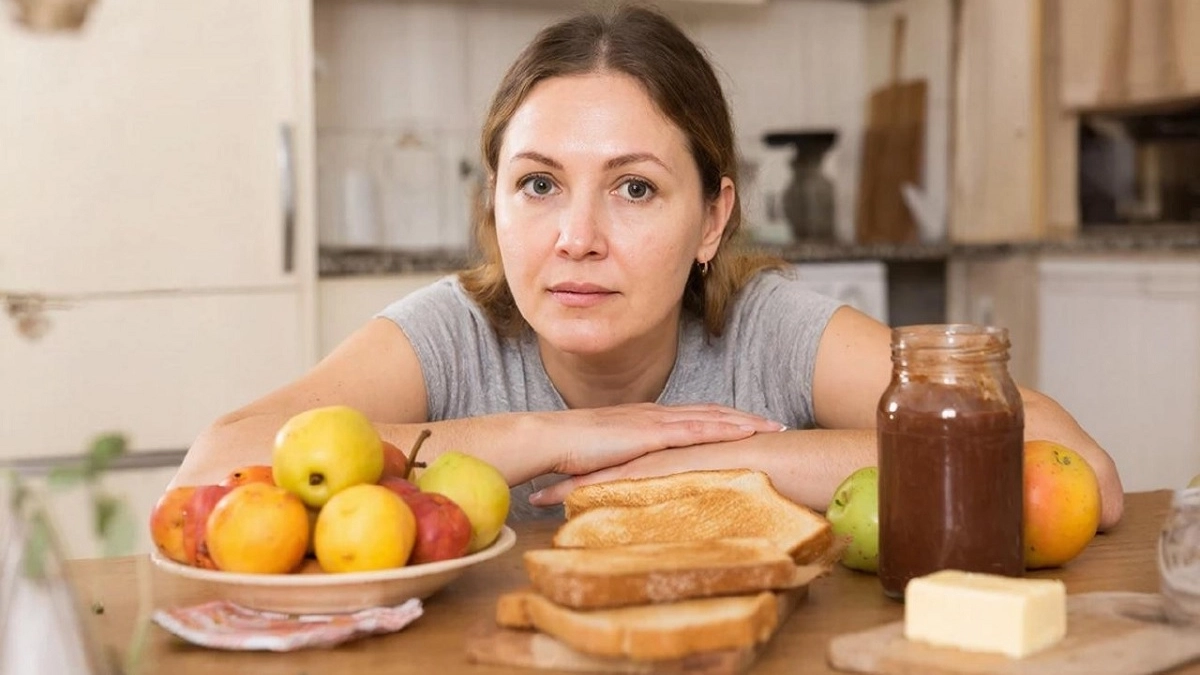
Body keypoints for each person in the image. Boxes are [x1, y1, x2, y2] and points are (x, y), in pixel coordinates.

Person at [172, 3, 1124, 528]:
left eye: (633, 189)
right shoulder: (451, 335)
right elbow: (211, 467)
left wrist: (713, 460)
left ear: (714, 216)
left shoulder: (766, 330)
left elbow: (1076, 466)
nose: (576, 235)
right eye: (539, 185)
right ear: (493, 204)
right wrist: (548, 437)